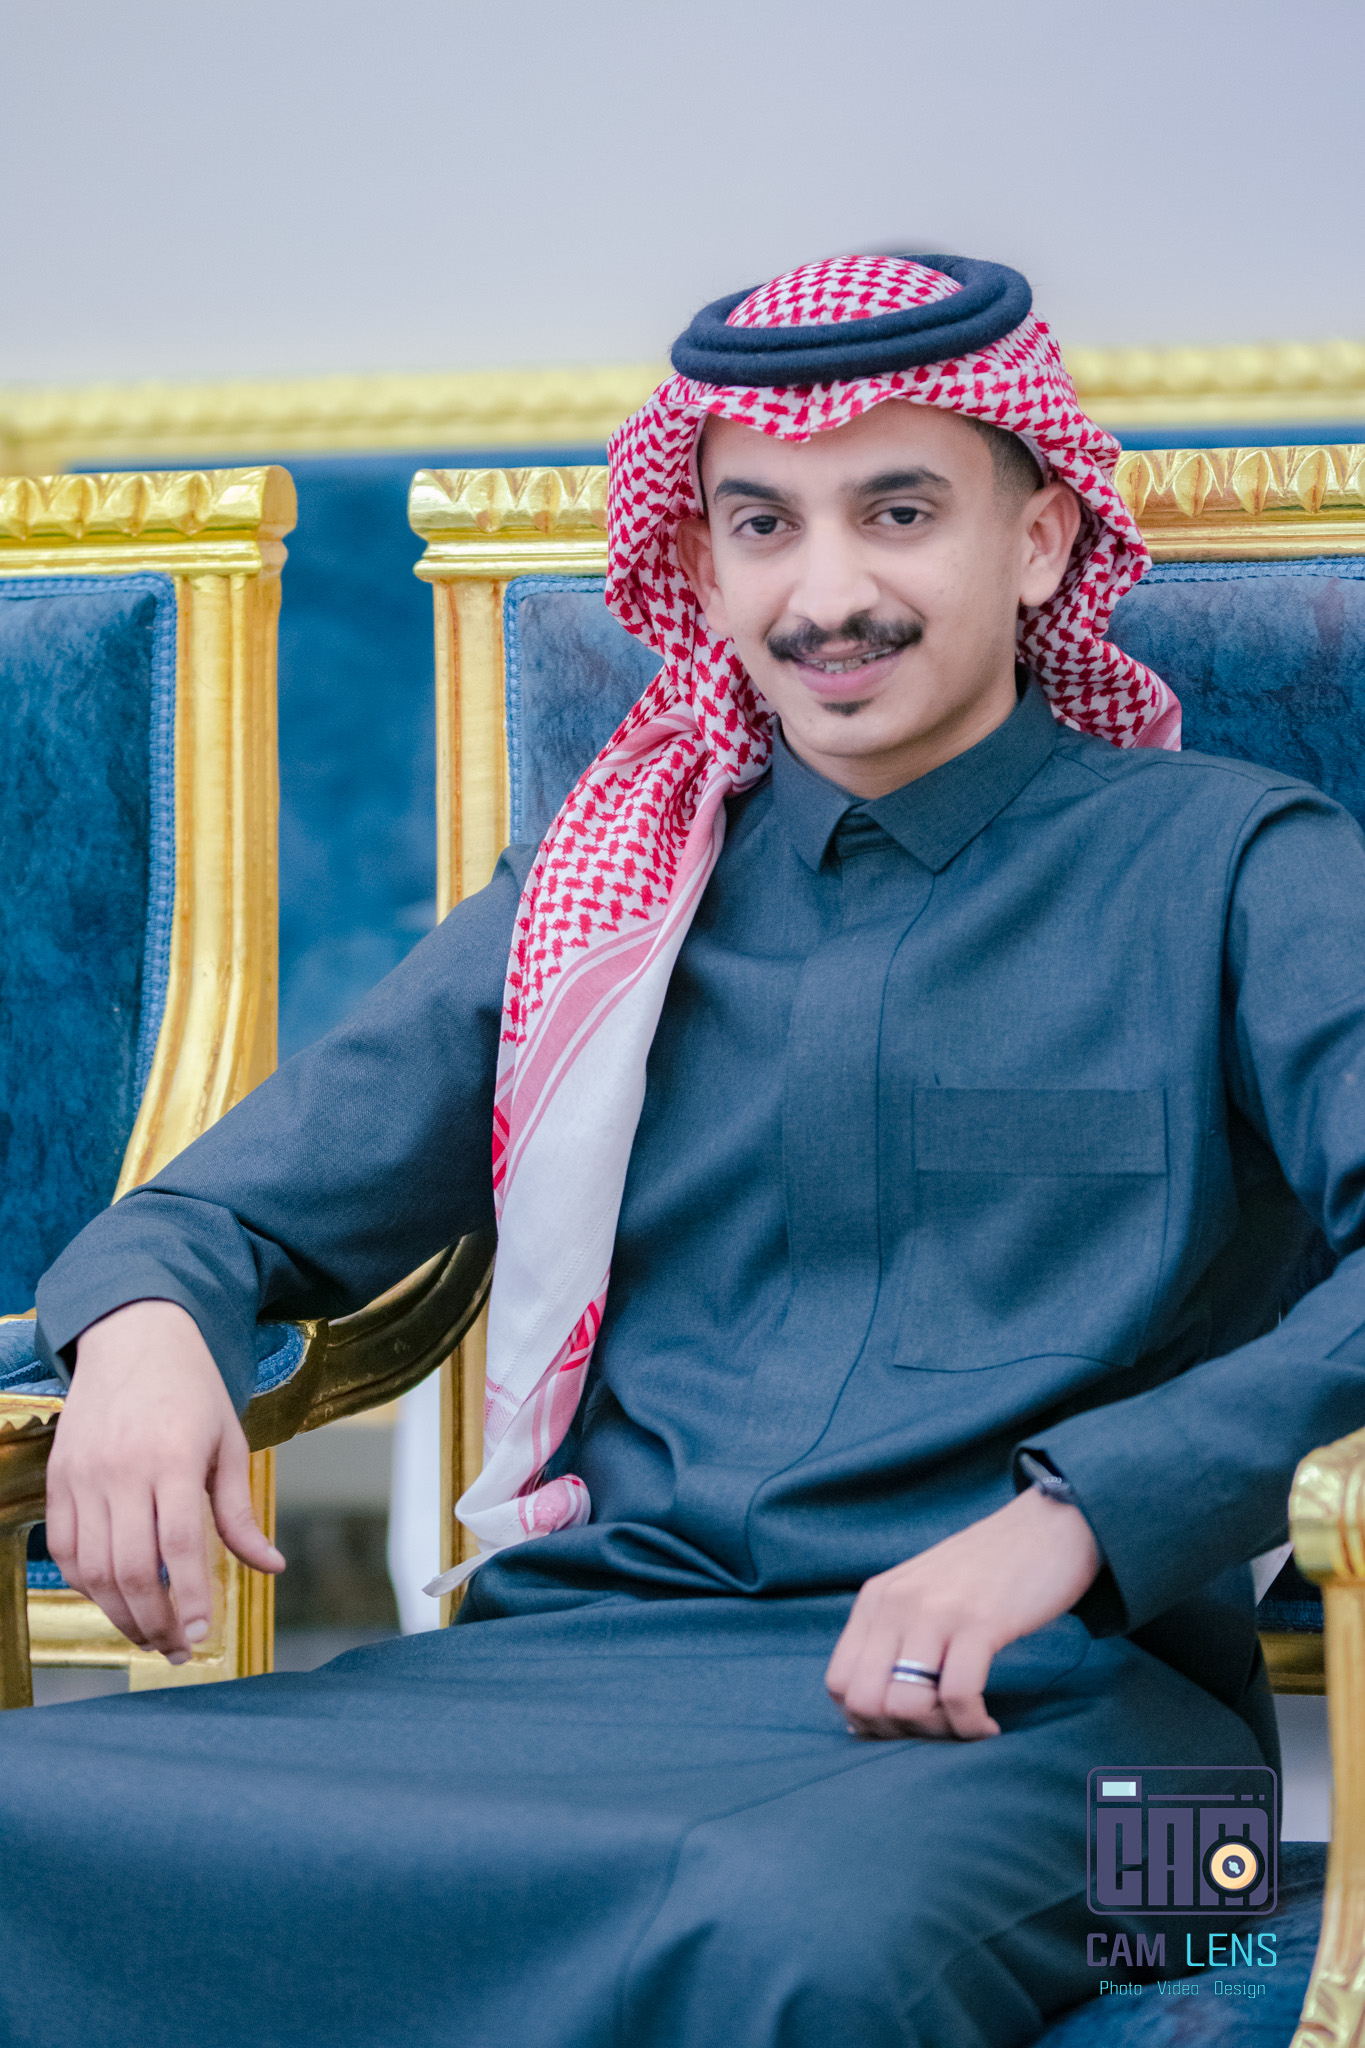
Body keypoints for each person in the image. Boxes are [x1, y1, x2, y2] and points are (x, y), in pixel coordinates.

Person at [2, 252, 1362, 2048]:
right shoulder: (606, 898)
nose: (827, 594)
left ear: (1037, 542)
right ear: (701, 567)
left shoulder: (1244, 865)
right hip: (584, 1670)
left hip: (1133, 1752)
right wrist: (142, 1331)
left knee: (781, 1934)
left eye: (897, 513)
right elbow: (215, 1213)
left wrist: (1079, 1519)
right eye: (763, 526)